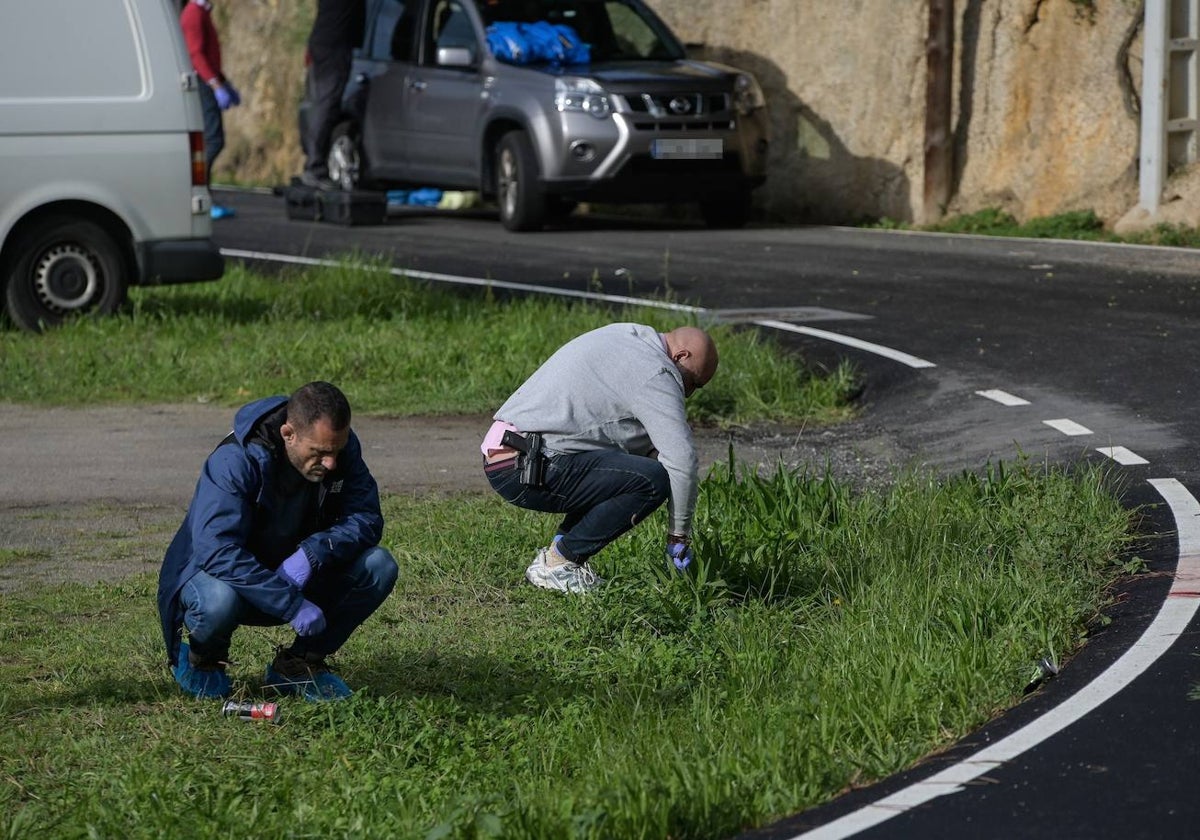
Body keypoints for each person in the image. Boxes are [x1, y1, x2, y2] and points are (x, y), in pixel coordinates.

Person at [157, 381, 398, 701]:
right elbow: (217, 551)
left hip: (296, 574)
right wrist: (290, 603)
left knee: (379, 566)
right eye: (321, 453)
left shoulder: (338, 446)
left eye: (336, 451)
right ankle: (203, 660)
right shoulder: (235, 460)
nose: (331, 464)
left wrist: (312, 554)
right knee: (218, 601)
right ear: (288, 434)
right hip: (231, 581)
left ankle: (297, 666)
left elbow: (366, 517)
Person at [482, 323, 718, 593]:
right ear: (681, 356)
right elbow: (682, 458)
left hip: (508, 454)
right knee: (651, 480)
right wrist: (679, 536)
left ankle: (557, 554)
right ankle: (559, 563)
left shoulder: (626, 335)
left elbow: (613, 429)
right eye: (693, 383)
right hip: (524, 467)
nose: (688, 394)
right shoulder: (656, 371)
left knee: (626, 468)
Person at [180, 0, 240, 219]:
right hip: (203, 82)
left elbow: (209, 54)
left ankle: (205, 195)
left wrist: (225, 84)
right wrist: (216, 86)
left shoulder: (202, 12)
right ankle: (197, 193)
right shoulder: (194, 13)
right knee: (213, 140)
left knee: (211, 139)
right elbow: (196, 55)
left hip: (209, 81)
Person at [301, 0, 366, 189]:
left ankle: (315, 165)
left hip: (326, 43)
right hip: (333, 46)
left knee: (323, 106)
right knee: (325, 106)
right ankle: (314, 167)